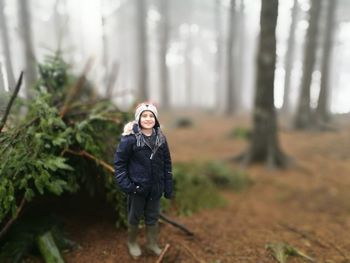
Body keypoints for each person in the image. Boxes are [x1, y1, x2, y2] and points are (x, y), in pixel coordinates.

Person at [114, 102, 173, 259]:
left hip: (155, 188)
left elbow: (167, 163)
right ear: (138, 119)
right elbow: (120, 165)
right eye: (144, 115)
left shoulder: (160, 138)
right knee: (135, 215)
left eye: (151, 116)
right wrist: (128, 186)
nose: (148, 119)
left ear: (156, 119)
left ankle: (152, 243)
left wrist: (167, 186)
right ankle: (132, 242)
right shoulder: (129, 139)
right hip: (137, 188)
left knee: (153, 216)